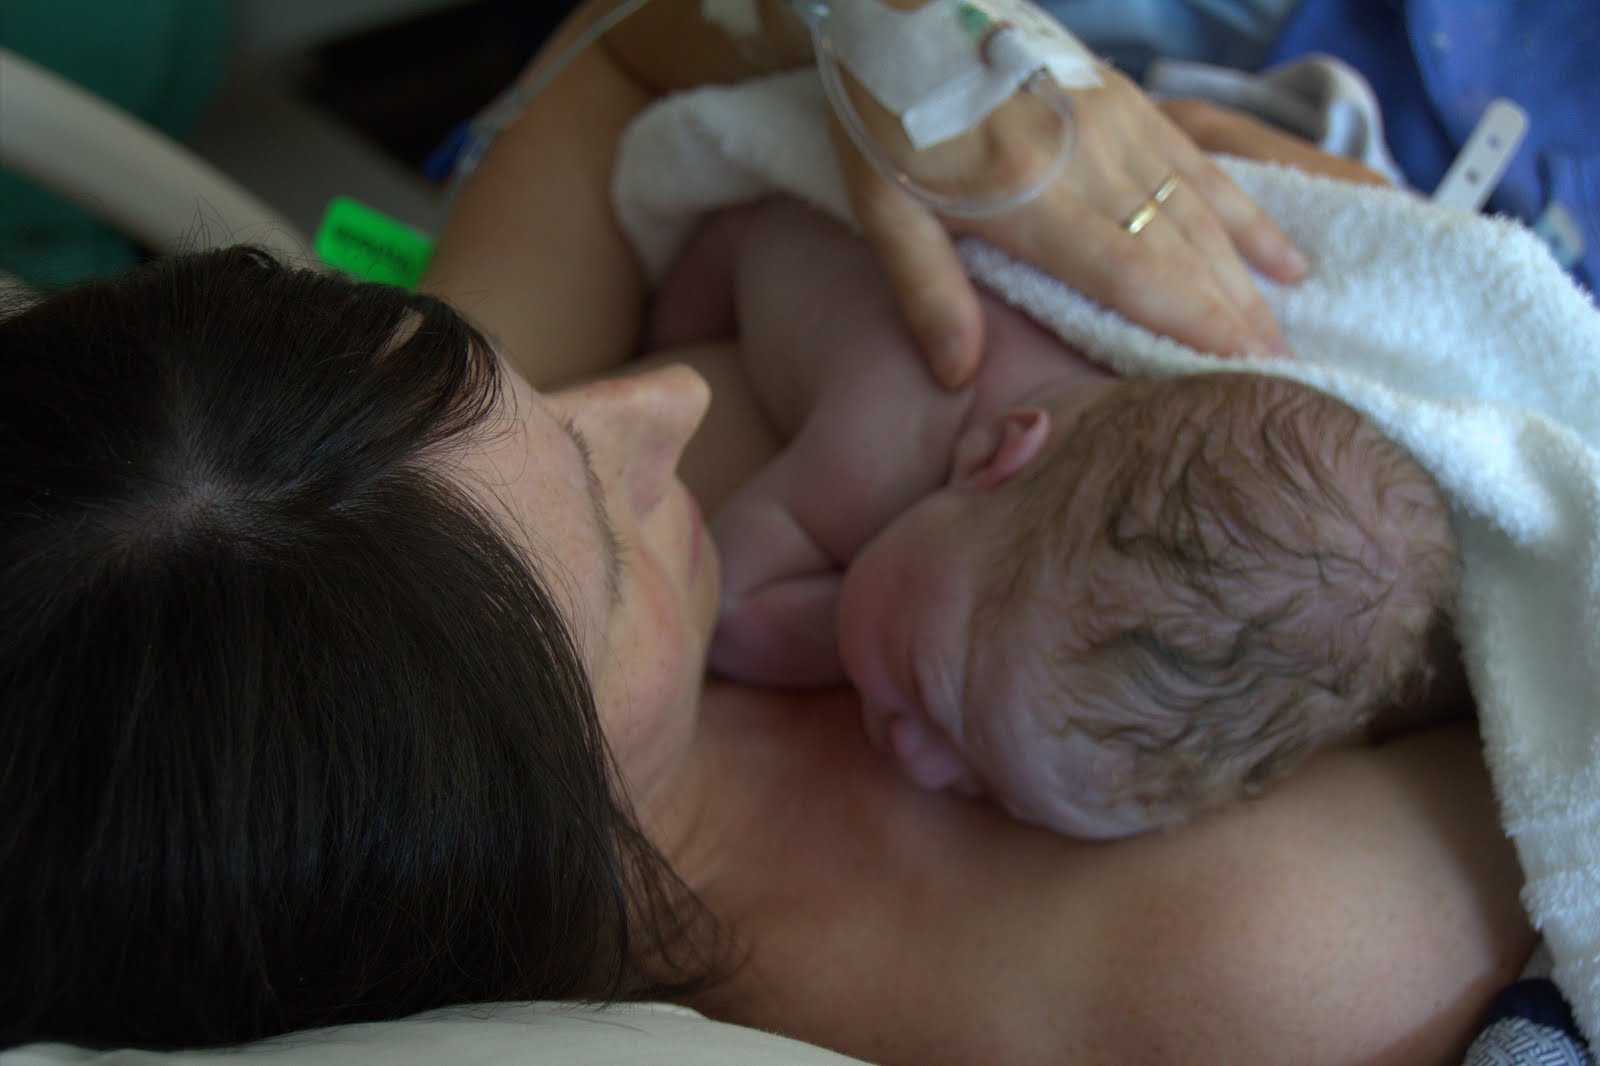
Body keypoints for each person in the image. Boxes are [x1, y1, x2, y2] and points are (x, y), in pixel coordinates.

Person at [0, 3, 1533, 1064]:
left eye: (501, 377)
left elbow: (633, 50)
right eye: (613, 536)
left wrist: (922, 83)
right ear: (498, 836)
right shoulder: (1225, 957)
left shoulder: (385, 499)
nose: (658, 397)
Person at [653, 195, 1460, 839]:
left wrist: (900, 641)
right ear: (992, 458)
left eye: (988, 791)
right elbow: (726, 602)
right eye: (923, 679)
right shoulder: (882, 447)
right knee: (669, 333)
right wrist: (846, 629)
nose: (920, 764)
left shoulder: (1088, 463)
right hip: (756, 228)